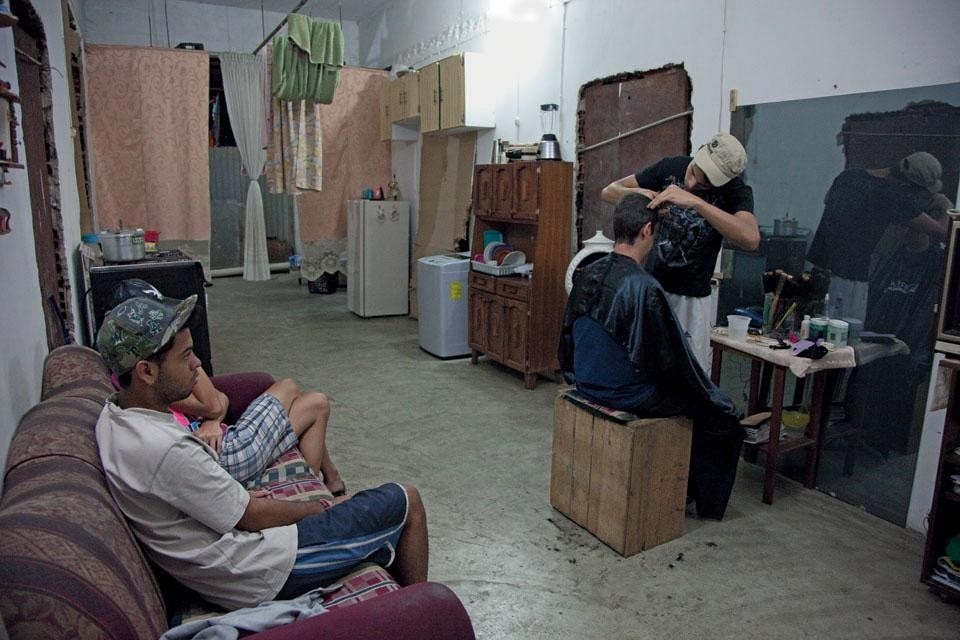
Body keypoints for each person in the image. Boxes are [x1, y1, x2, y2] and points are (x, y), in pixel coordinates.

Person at [95, 293, 428, 610]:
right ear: (147, 371)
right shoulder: (165, 447)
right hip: (261, 571)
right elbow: (252, 516)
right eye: (185, 357)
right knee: (407, 500)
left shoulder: (114, 415)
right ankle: (421, 615)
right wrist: (323, 506)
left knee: (368, 515)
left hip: (230, 561)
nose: (197, 364)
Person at [559, 193, 744, 520]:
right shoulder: (643, 287)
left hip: (584, 379)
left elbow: (569, 337)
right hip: (621, 393)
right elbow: (669, 363)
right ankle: (700, 501)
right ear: (646, 231)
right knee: (719, 414)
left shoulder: (586, 271)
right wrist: (708, 392)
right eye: (655, 234)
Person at [110, 278, 345, 494]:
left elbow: (221, 400)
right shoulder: (148, 384)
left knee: (315, 402)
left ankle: (327, 484)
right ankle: (324, 487)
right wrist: (182, 349)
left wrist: (212, 421)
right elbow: (213, 404)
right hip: (226, 452)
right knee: (291, 388)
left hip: (221, 439)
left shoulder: (159, 380)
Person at [601, 133, 759, 369]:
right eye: (694, 172)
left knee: (688, 373)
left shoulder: (735, 191)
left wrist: (697, 203)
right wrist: (640, 194)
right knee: (643, 365)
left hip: (691, 301)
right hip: (652, 290)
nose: (694, 183)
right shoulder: (671, 167)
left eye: (705, 183)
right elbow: (609, 191)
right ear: (702, 150)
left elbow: (750, 238)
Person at [806, 151, 951, 321]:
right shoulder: (892, 197)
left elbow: (827, 198)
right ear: (907, 186)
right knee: (845, 340)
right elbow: (944, 234)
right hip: (849, 280)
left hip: (815, 272)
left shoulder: (848, 176)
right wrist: (946, 207)